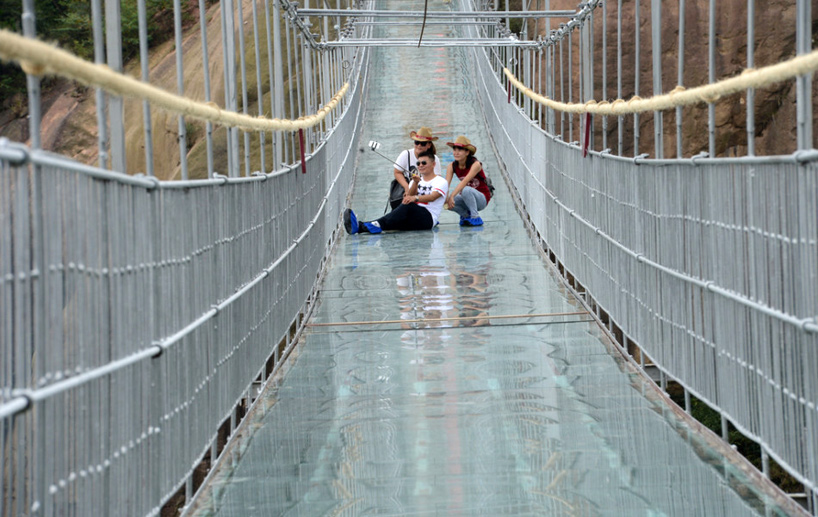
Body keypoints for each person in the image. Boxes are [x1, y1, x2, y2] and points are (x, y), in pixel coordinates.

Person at [345, 149, 448, 234]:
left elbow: (433, 197)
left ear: (433, 164)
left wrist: (415, 198)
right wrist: (415, 183)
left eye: (424, 163)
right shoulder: (414, 181)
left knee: (408, 206)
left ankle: (370, 225)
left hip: (428, 218)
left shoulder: (441, 181)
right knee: (392, 222)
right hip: (413, 216)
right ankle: (360, 227)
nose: (420, 165)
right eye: (418, 163)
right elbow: (409, 196)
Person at [388, 127, 443, 210]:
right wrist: (407, 188)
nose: (419, 146)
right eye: (417, 142)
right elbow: (397, 172)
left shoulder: (434, 159)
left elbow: (437, 180)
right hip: (408, 189)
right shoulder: (406, 154)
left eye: (423, 143)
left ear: (429, 145)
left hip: (424, 192)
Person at [444, 135, 492, 226]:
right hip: (467, 198)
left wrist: (452, 196)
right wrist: (446, 197)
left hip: (481, 199)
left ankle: (475, 216)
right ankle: (465, 215)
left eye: (460, 150)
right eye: (455, 149)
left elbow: (464, 181)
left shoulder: (476, 164)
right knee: (443, 200)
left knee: (465, 190)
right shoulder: (451, 166)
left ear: (467, 152)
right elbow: (446, 184)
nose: (456, 153)